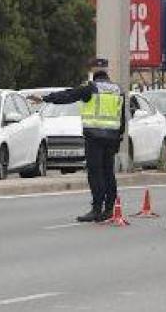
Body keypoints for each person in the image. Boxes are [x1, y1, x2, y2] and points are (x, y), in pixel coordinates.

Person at [43, 60, 126, 222]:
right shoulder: (118, 90)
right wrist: (119, 138)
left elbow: (69, 95)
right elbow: (122, 117)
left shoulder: (91, 88)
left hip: (94, 137)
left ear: (94, 77)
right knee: (109, 173)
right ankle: (110, 208)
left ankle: (96, 209)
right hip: (111, 138)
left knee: (95, 173)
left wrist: (47, 98)